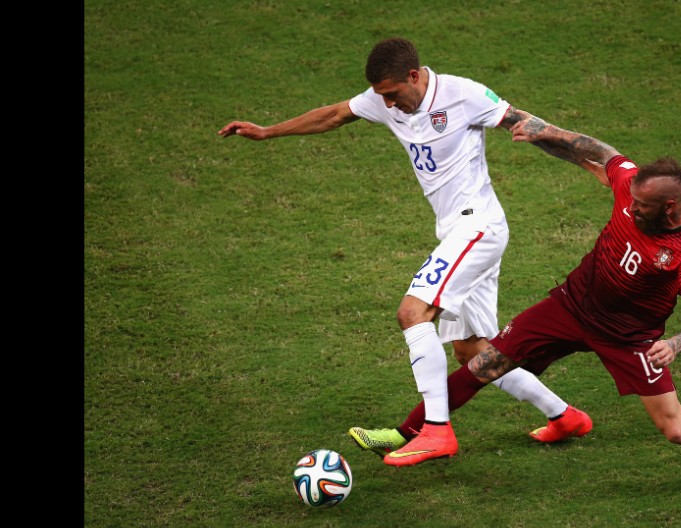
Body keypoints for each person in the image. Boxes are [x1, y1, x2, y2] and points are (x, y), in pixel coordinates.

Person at [218, 38, 594, 466]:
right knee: (473, 352)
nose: (388, 105)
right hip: (457, 231)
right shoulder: (386, 100)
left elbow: (532, 126)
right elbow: (336, 114)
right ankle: (565, 417)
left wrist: (598, 163)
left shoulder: (463, 94)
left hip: (479, 226)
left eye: (393, 94)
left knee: (412, 312)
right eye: (381, 97)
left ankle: (436, 432)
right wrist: (268, 131)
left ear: (414, 76)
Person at [385, 113, 681, 508]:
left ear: (669, 208)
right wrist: (547, 133)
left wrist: (675, 345)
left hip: (629, 338)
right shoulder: (633, 185)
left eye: (642, 206)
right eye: (631, 198)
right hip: (571, 306)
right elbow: (601, 151)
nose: (631, 208)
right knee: (485, 363)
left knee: (677, 430)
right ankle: (408, 433)